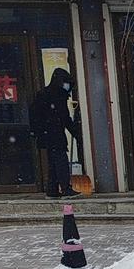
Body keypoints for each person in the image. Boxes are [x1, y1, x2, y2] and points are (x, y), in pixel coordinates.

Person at [28, 67, 81, 198]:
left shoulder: (45, 94)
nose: (67, 86)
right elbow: (64, 117)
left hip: (47, 134)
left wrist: (37, 131)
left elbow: (34, 114)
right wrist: (75, 132)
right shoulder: (57, 96)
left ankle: (52, 189)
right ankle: (65, 188)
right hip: (54, 134)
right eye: (66, 83)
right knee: (61, 160)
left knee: (53, 162)